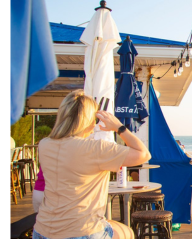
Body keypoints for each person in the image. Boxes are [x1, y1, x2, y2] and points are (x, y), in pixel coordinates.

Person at [33, 90, 151, 239]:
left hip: (42, 230)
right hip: (81, 231)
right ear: (89, 120)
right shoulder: (95, 149)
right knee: (127, 232)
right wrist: (119, 127)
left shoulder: (44, 145)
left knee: (113, 226)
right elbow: (144, 154)